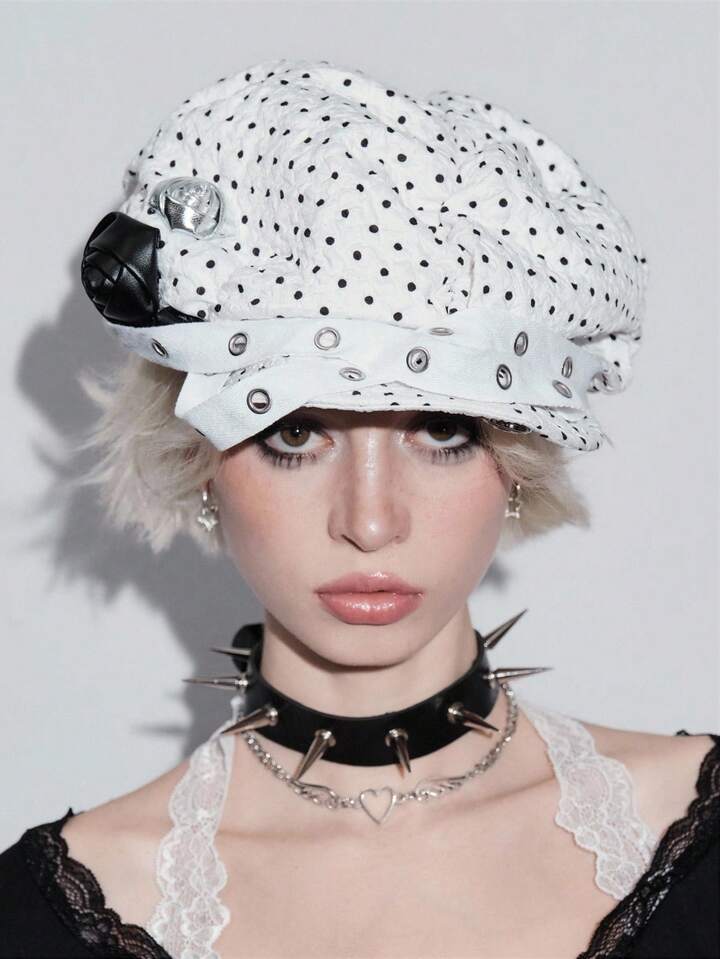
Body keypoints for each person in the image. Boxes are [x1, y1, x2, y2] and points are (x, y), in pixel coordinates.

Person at [0, 57, 717, 959]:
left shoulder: (695, 841)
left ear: (518, 459)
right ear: (198, 457)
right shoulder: (41, 919)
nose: (371, 522)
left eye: (442, 429)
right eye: (295, 433)